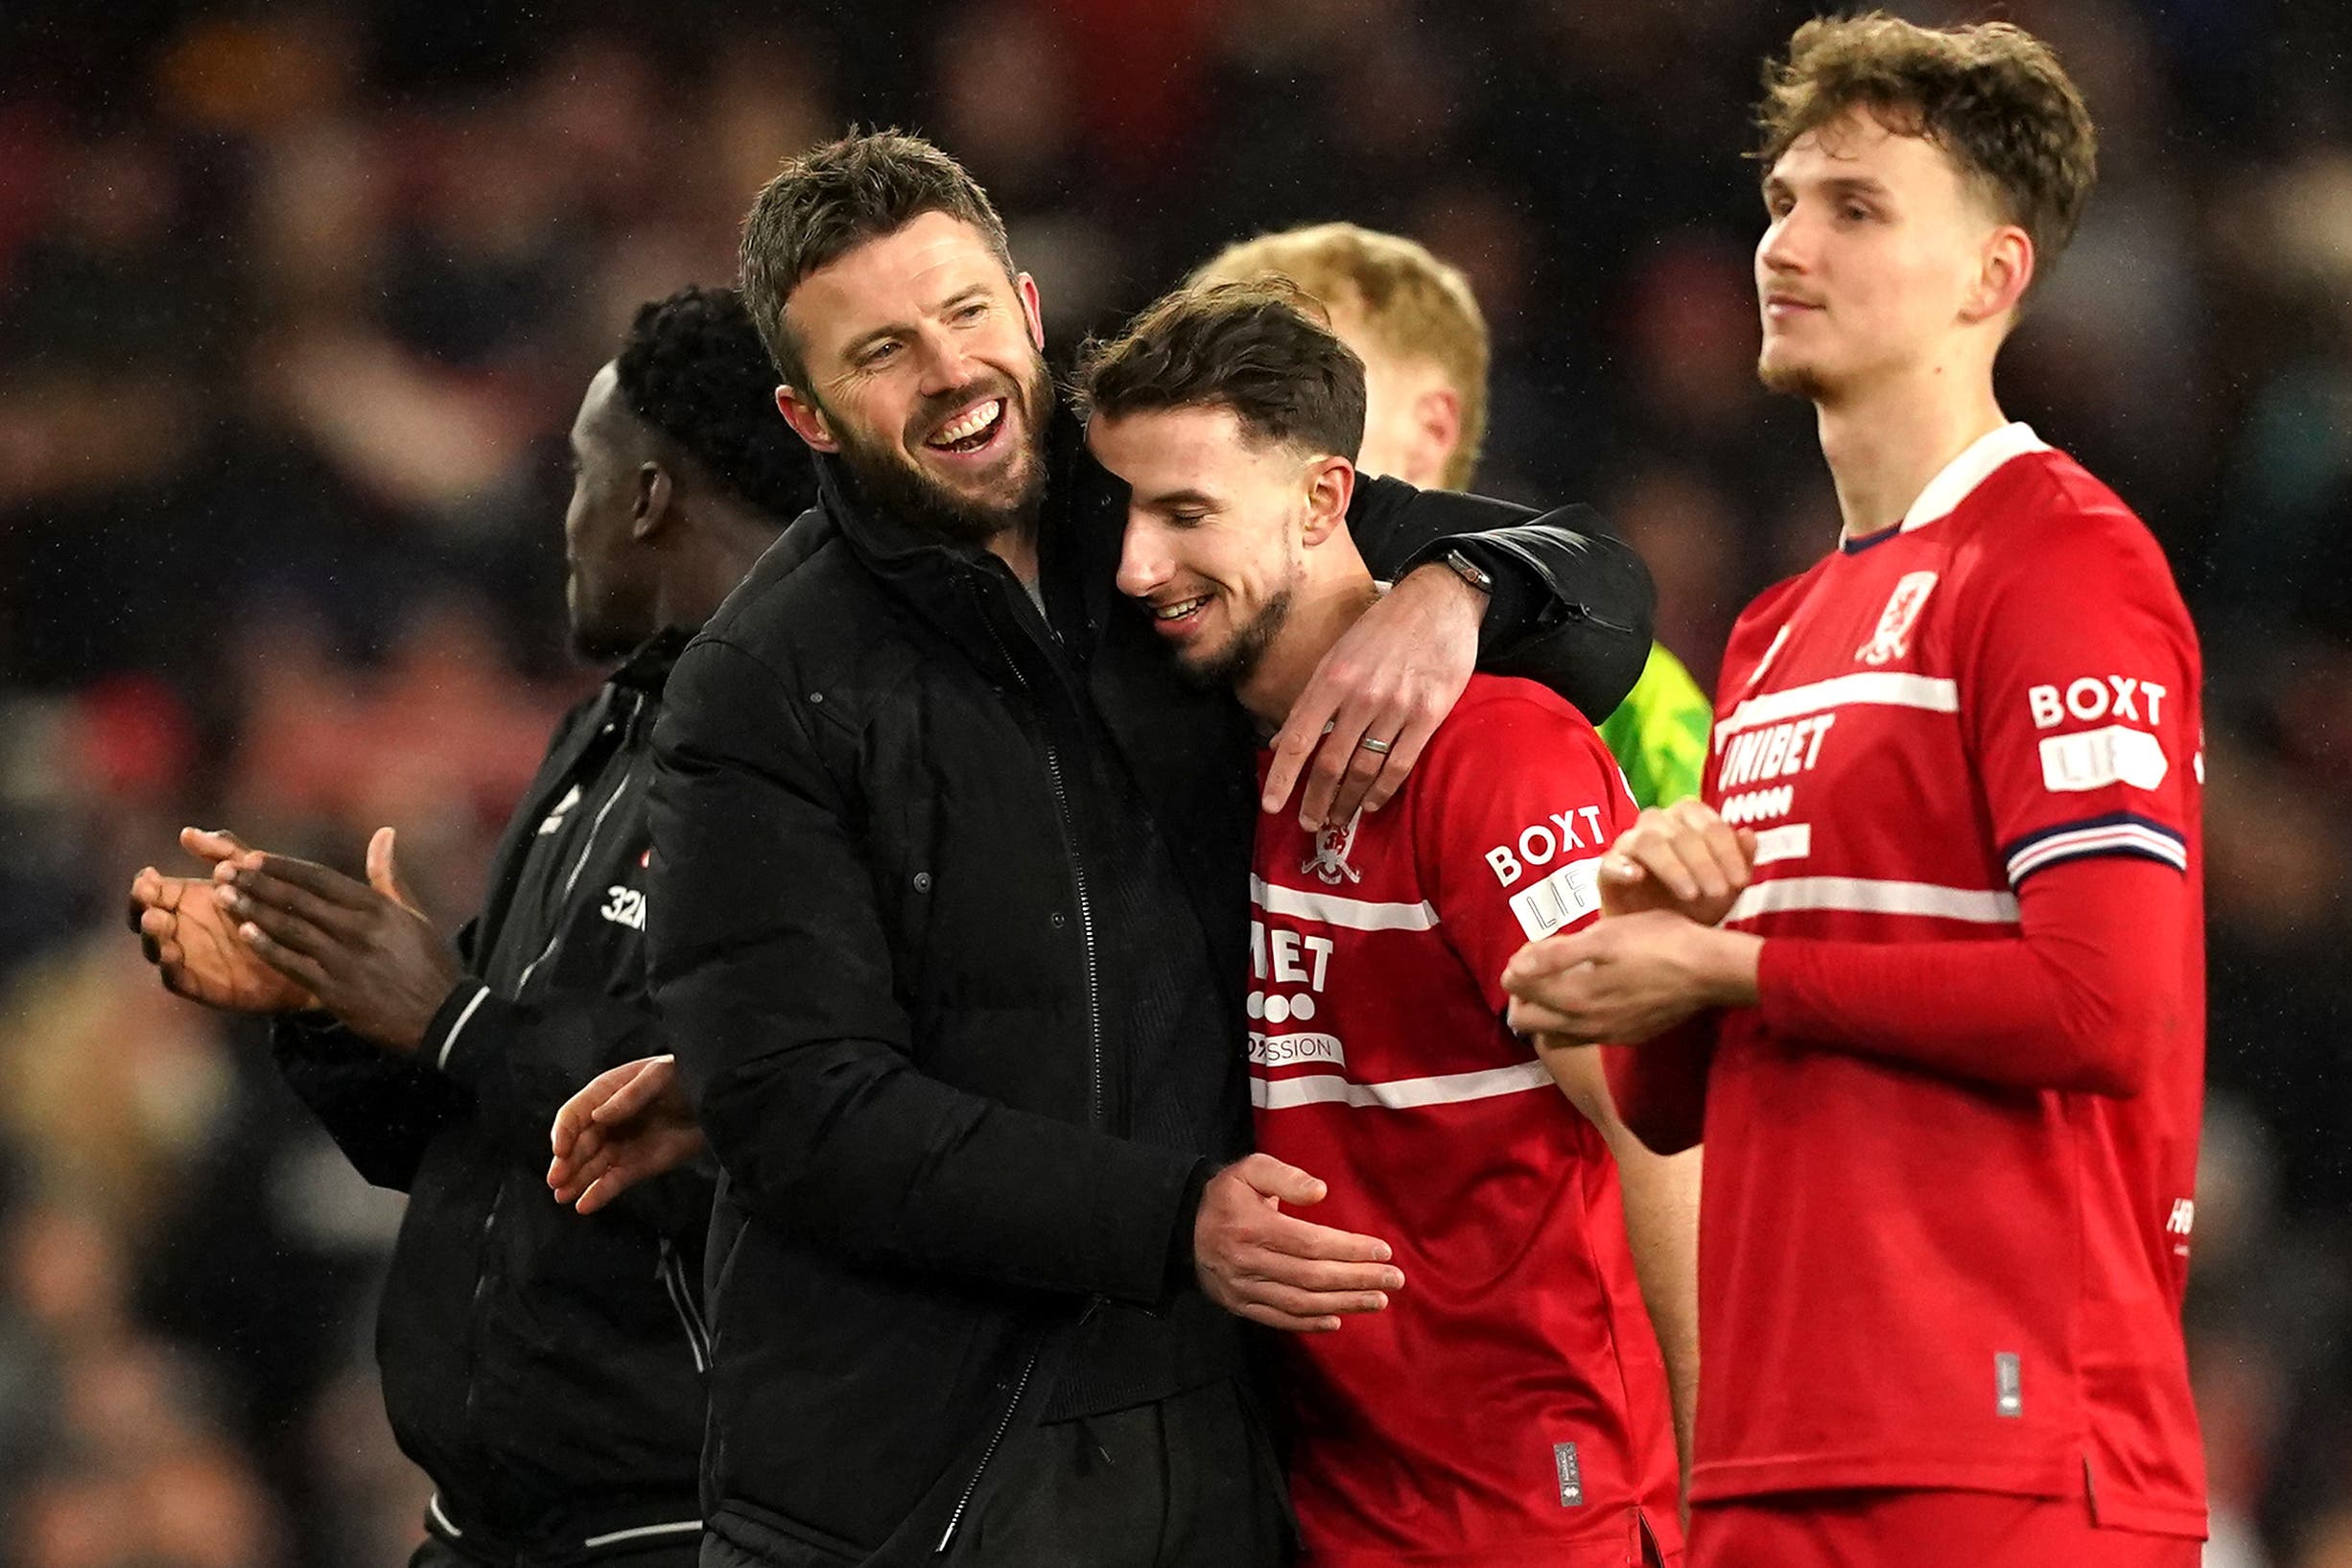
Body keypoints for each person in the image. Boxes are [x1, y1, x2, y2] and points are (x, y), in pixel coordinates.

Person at [544, 130, 1653, 1568]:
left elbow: (1597, 577)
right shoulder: (758, 681)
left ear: (1024, 304)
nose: (947, 371)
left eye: (961, 314)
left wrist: (1458, 583)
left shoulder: (1162, 511)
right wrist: (1170, 1215)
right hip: (905, 1476)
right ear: (807, 415)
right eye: (880, 350)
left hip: (1213, 1445)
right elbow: (802, 1110)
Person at [1500, 16, 2206, 1568]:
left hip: (2003, 1453)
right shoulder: (1771, 630)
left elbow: (2107, 1003)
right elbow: (1672, 1109)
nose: (1786, 242)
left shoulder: (2063, 564)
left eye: (1855, 207)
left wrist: (1727, 962)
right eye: (1780, 200)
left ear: (1992, 275)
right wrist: (1656, 939)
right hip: (1771, 1451)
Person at [126, 286, 816, 1568]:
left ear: (651, 495)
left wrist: (451, 1011)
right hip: (486, 1517)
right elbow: (465, 1139)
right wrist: (329, 999)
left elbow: (760, 1139)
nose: (563, 519)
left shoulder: (820, 756)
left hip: (689, 1521)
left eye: (581, 474)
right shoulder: (596, 737)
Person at [1080, 278, 1688, 1566]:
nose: (1136, 564)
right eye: (1125, 510)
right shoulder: (1220, 759)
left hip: (1542, 1515)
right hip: (1328, 1506)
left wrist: (1739, 1488)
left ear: (1321, 497)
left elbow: (1666, 1123)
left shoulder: (1495, 755)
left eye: (1187, 511)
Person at [1192, 222, 1712, 807]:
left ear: (1430, 430)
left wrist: (1462, 585)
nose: (1237, 440)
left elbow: (1729, 889)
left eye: (1284, 395)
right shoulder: (1190, 659)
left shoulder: (1637, 702)